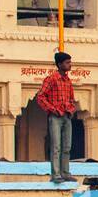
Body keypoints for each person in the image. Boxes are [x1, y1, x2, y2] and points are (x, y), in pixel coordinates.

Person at [36, 51, 77, 183]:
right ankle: (56, 174)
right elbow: (41, 97)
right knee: (56, 146)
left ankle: (65, 173)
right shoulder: (51, 79)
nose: (70, 65)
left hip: (67, 116)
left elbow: (71, 99)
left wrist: (71, 109)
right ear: (59, 64)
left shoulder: (68, 81)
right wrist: (53, 110)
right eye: (67, 63)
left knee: (67, 147)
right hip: (55, 116)